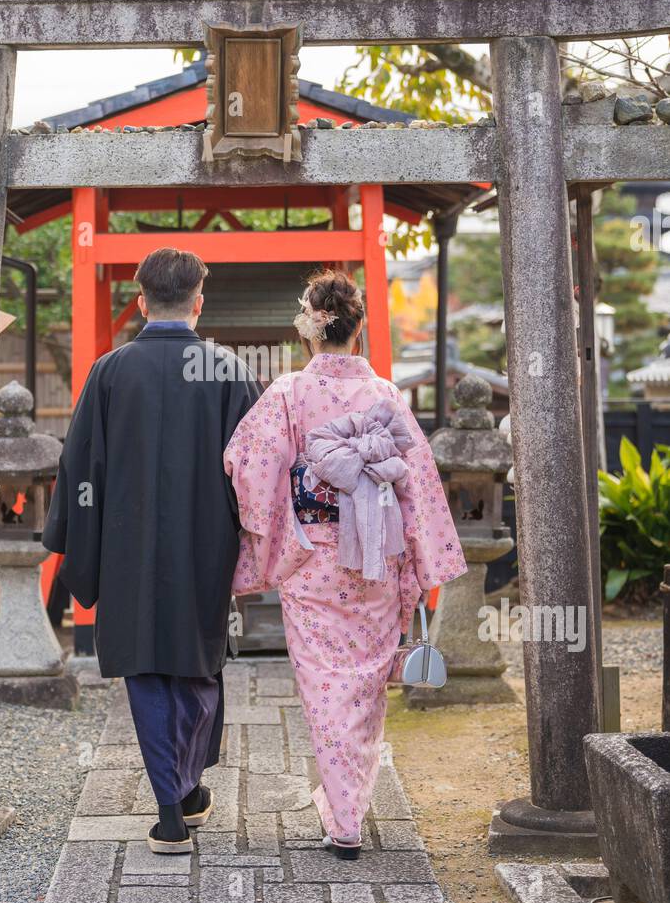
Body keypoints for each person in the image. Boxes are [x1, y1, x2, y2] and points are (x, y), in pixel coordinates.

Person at [224, 269, 466, 859]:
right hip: (378, 556)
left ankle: (345, 817)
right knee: (366, 684)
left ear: (309, 331)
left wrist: (275, 526)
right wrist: (424, 556)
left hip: (311, 557)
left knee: (325, 687)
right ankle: (349, 804)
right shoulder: (386, 395)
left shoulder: (288, 393)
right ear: (358, 329)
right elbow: (419, 483)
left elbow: (246, 464)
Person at [44, 248, 259, 853]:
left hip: (128, 545)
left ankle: (176, 798)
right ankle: (178, 795)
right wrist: (254, 543)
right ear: (198, 302)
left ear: (141, 302)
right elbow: (256, 472)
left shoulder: (110, 371)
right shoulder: (229, 372)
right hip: (205, 543)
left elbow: (81, 466)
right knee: (197, 661)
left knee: (145, 665)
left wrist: (80, 543)